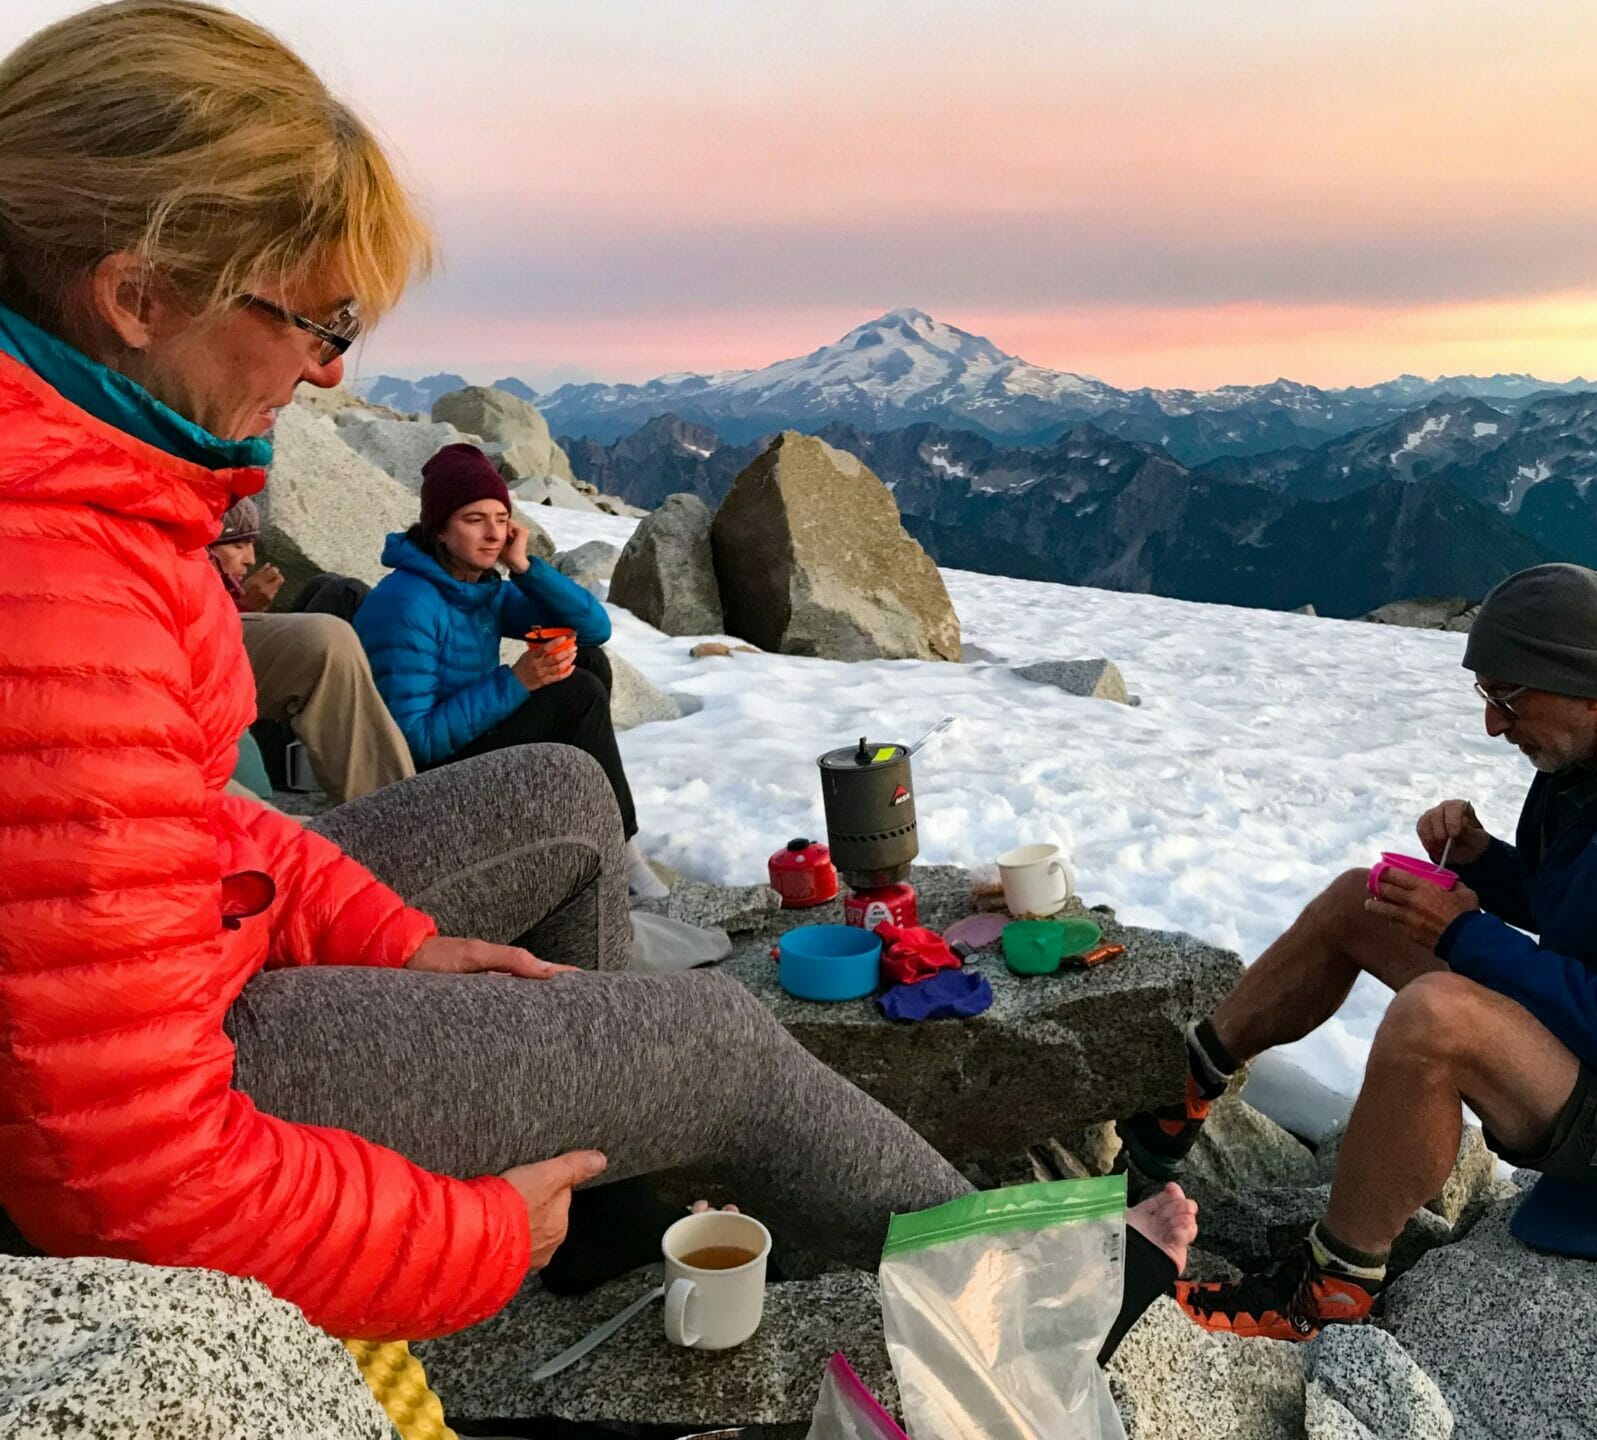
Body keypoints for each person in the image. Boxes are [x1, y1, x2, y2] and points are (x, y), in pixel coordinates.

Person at [0, 0, 1195, 1345]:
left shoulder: (82, 497)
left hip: (177, 961)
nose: (331, 373)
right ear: (137, 295)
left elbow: (158, 830)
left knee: (565, 795)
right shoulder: (53, 582)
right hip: (187, 1069)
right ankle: (1063, 1299)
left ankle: (606, 1194)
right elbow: (121, 1174)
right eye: (316, 320)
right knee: (717, 1046)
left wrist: (395, 938)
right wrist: (470, 1240)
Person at [1117, 563, 1597, 1339]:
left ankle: (1327, 1291)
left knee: (1439, 1020)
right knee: (1364, 899)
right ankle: (1177, 1105)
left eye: (1509, 698)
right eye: (1487, 696)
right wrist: (1484, 862)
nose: (1495, 725)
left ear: (1587, 684)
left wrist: (1463, 930)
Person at [354, 443, 650, 882]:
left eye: (501, 519)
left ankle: (580, 817)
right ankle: (618, 852)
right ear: (439, 531)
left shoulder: (477, 588)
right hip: (422, 781)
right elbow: (413, 742)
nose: (493, 534)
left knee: (585, 659)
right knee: (577, 694)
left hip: (466, 743)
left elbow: (593, 629)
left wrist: (525, 567)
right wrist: (517, 681)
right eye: (474, 520)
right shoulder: (407, 604)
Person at [208, 495, 414, 803]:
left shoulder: (489, 600)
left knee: (334, 599)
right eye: (238, 544)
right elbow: (424, 733)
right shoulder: (416, 599)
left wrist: (517, 568)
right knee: (341, 596)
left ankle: (401, 817)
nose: (251, 559)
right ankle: (401, 812)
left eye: (503, 520)